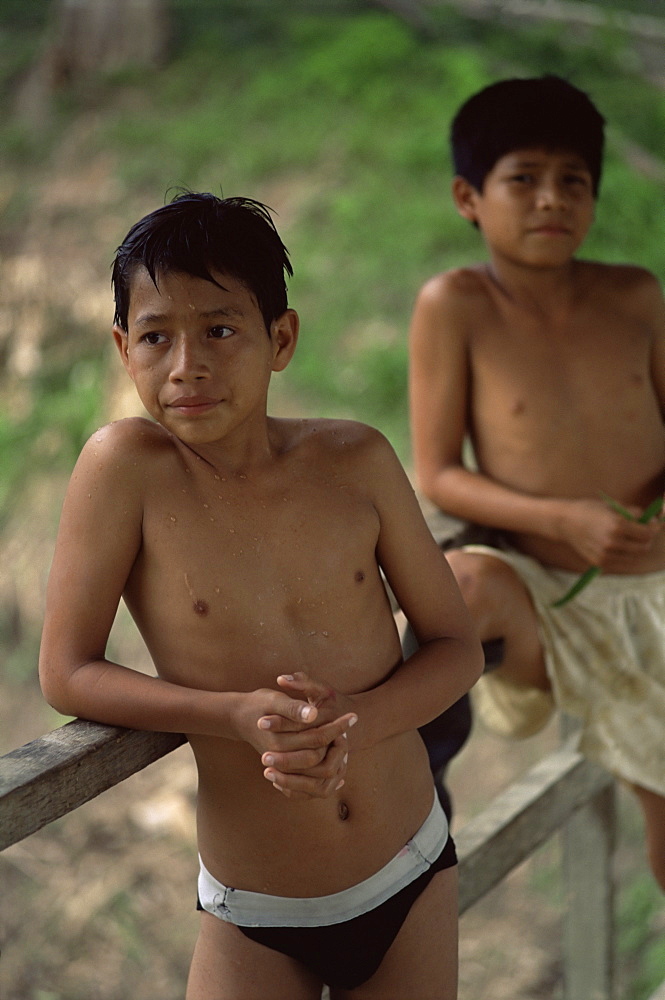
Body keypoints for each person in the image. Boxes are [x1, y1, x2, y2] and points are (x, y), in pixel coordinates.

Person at [38, 191, 483, 999]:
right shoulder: (125, 471)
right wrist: (232, 717)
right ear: (121, 347)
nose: (187, 366)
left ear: (280, 338)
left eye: (219, 329)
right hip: (257, 910)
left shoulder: (355, 460)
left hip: (411, 866)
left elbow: (456, 646)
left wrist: (357, 724)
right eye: (155, 337)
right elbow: (66, 671)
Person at [408, 74, 665, 890]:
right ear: (468, 196)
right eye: (522, 179)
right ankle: (404, 825)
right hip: (547, 593)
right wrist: (562, 518)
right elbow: (439, 475)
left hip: (656, 584)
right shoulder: (457, 305)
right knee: (459, 581)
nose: (550, 199)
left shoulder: (635, 296)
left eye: (573, 181)